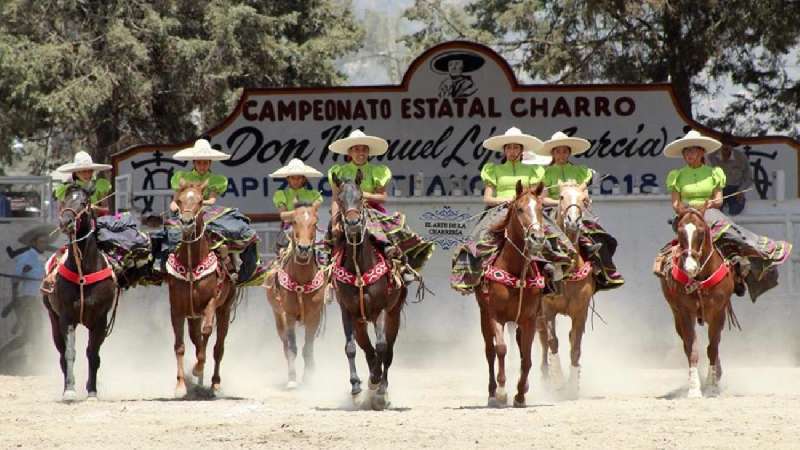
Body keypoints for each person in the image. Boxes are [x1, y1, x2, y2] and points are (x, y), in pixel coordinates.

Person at [656, 130, 791, 301]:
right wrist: (688, 209)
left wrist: (709, 204)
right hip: (687, 215)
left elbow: (719, 200)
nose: (688, 154)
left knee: (731, 232)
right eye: (686, 151)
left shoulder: (714, 173)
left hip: (710, 212)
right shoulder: (677, 175)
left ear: (701, 152)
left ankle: (749, 262)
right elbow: (676, 204)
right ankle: (666, 267)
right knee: (681, 241)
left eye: (692, 151)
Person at [450, 127, 575, 294]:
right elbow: (487, 198)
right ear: (504, 150)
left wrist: (523, 202)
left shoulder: (533, 170)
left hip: (526, 210)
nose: (512, 151)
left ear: (522, 150)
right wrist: (506, 200)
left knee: (556, 236)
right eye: (509, 147)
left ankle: (554, 271)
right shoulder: (493, 169)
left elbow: (535, 196)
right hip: (499, 210)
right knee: (477, 239)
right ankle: (470, 277)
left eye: (516, 147)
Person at [327, 129, 434, 283]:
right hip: (347, 211)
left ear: (368, 152)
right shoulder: (339, 172)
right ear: (350, 152)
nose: (360, 152)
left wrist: (362, 195)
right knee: (327, 237)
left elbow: (382, 197)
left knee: (396, 229)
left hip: (372, 211)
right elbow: (336, 199)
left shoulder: (377, 171)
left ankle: (402, 268)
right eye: (357, 149)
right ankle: (325, 269)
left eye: (364, 149)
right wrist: (335, 222)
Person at [164, 138, 265, 286]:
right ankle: (162, 266)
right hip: (185, 212)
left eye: (206, 162)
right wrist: (178, 205)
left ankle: (238, 267)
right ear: (194, 162)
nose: (202, 166)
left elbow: (211, 201)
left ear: (210, 163)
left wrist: (196, 202)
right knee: (167, 236)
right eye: (199, 162)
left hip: (207, 211)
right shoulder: (182, 177)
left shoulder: (216, 179)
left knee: (239, 230)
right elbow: (174, 201)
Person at [534, 131, 625, 291]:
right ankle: (541, 276)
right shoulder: (545, 173)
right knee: (540, 238)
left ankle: (603, 270)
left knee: (599, 236)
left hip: (576, 211)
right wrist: (561, 203)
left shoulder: (580, 171)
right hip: (554, 212)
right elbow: (543, 199)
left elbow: (585, 195)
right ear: (553, 153)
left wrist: (581, 200)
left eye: (564, 151)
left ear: (569, 152)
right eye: (557, 151)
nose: (561, 154)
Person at [1, 225, 56, 371]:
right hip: (29, 299)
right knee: (32, 333)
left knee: (32, 333)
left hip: (43, 298)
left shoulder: (46, 258)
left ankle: (37, 362)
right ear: (34, 243)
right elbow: (15, 280)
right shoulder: (26, 257)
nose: (44, 244)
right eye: (41, 242)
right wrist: (15, 300)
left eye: (45, 242)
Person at [268, 158, 324, 256]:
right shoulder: (281, 194)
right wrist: (299, 213)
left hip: (309, 229)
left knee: (322, 251)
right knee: (282, 254)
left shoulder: (314, 195)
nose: (296, 181)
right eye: (293, 178)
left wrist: (301, 214)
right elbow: (283, 216)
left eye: (299, 178)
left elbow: (313, 213)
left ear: (304, 179)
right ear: (288, 178)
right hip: (289, 229)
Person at [707, 137, 752, 216]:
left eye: (729, 144)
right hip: (718, 189)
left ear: (732, 146)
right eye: (723, 143)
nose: (726, 146)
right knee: (715, 210)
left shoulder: (741, 156)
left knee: (735, 209)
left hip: (735, 189)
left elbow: (748, 177)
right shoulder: (711, 157)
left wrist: (741, 190)